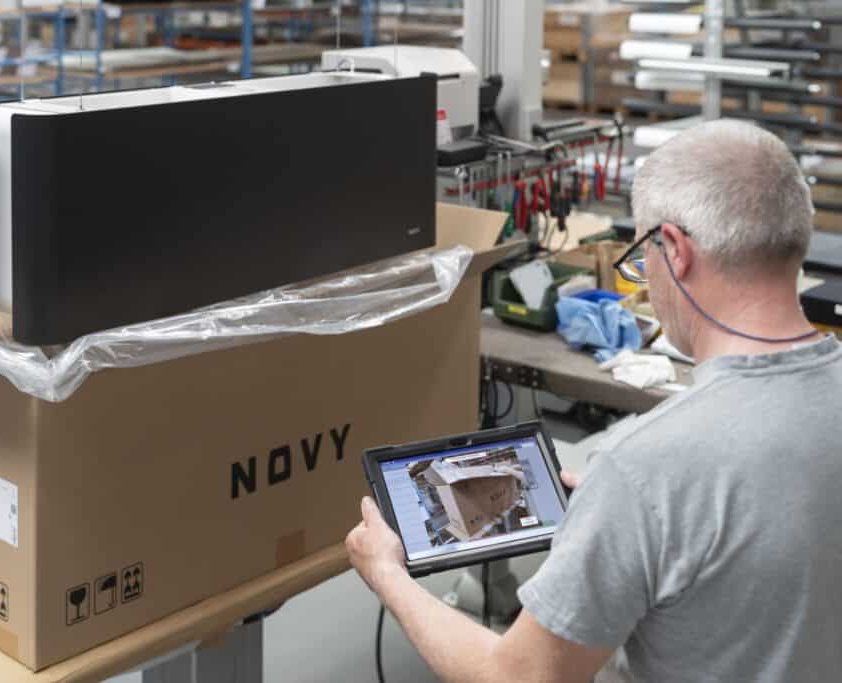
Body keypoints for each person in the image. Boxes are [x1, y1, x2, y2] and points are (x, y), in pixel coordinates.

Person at [346, 119, 842, 682]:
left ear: (674, 250)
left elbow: (518, 677)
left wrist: (385, 572)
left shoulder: (645, 468)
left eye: (642, 257)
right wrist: (619, 514)